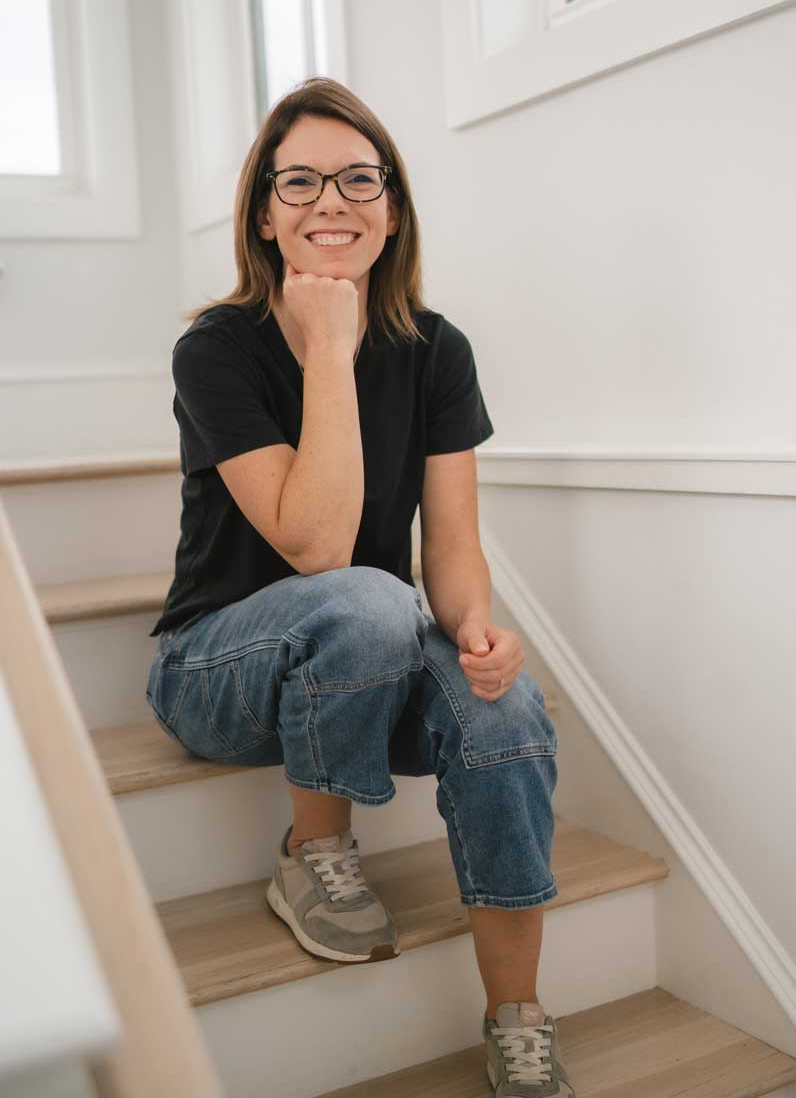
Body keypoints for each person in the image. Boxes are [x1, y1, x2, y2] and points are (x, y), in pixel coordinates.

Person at [146, 77, 575, 1097]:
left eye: (355, 179)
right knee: (367, 600)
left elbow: (454, 552)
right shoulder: (215, 350)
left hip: (364, 657)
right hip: (218, 672)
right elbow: (315, 546)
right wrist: (329, 347)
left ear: (391, 208)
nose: (329, 201)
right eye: (297, 182)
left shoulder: (436, 350)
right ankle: (312, 850)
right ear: (261, 214)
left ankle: (516, 1017)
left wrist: (476, 630)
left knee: (505, 706)